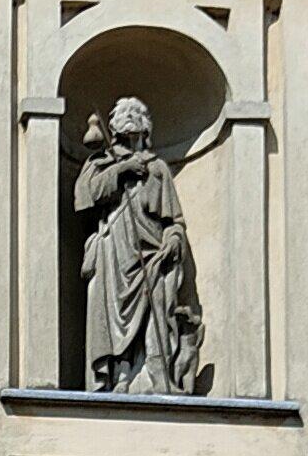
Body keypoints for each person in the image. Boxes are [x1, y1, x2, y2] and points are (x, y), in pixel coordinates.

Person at [78, 94, 211, 396]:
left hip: (152, 255)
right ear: (116, 128)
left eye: (136, 122)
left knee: (157, 314)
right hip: (115, 252)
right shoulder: (103, 162)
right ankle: (119, 376)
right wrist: (121, 171)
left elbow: (175, 220)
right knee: (114, 318)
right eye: (126, 122)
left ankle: (157, 378)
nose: (132, 129)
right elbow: (84, 197)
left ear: (144, 128)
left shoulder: (158, 169)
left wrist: (174, 239)